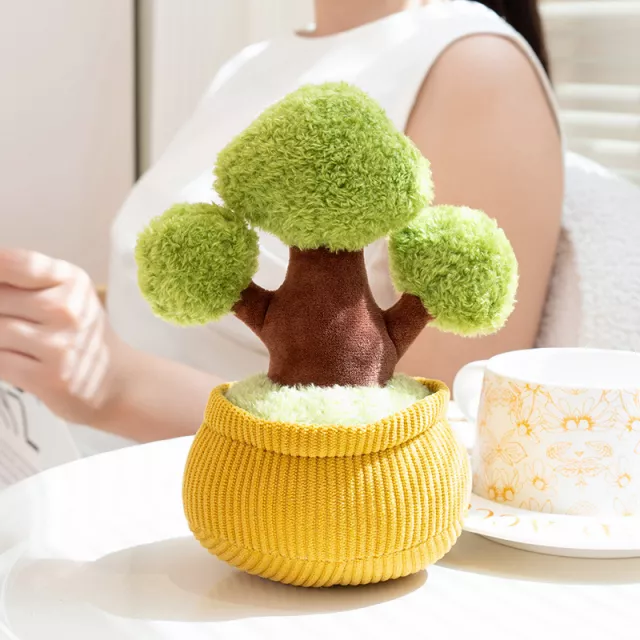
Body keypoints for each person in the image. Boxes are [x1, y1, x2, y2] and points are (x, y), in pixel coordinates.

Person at [0, 0, 636, 451]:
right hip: (63, 466)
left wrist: (117, 386)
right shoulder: (249, 65)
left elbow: (436, 439)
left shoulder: (476, 65)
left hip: (249, 533)